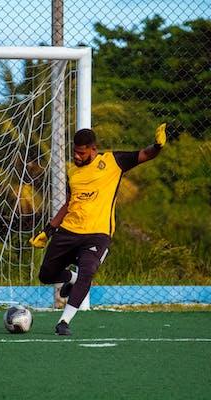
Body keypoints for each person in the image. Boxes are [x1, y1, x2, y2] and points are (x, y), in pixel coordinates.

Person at [29, 123, 167, 335]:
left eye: (81, 153)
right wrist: (48, 231)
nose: (77, 156)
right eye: (74, 151)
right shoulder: (72, 171)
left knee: (88, 272)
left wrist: (157, 146)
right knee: (46, 275)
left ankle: (63, 322)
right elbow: (68, 204)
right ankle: (72, 279)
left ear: (93, 149)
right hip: (68, 231)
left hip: (97, 234)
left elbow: (144, 155)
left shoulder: (113, 162)